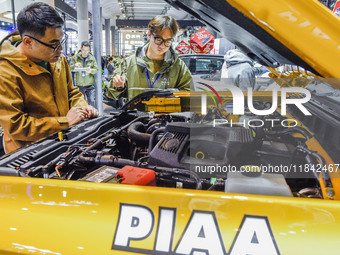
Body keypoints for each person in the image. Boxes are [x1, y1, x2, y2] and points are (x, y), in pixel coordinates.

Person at [0, 2, 98, 154]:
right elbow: (16, 125)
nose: (60, 49)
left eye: (61, 41)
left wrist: (83, 107)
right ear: (28, 42)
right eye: (53, 44)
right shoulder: (5, 71)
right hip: (30, 154)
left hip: (63, 143)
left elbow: (71, 92)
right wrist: (65, 122)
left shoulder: (58, 60)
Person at [105, 15, 192, 101]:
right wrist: (118, 86)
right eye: (159, 40)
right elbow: (110, 94)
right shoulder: (129, 63)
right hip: (136, 114)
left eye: (168, 41)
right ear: (149, 34)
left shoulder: (178, 66)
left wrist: (171, 96)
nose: (162, 46)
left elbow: (189, 94)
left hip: (167, 114)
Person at [70, 41, 98, 107]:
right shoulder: (75, 57)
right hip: (79, 84)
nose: (85, 52)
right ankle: (83, 116)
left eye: (87, 50)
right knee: (80, 102)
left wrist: (91, 70)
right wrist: (75, 65)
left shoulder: (92, 58)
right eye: (84, 50)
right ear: (81, 48)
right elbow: (70, 68)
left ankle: (92, 116)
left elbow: (96, 69)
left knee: (91, 101)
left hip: (89, 84)